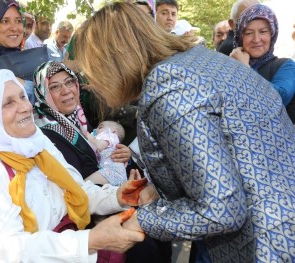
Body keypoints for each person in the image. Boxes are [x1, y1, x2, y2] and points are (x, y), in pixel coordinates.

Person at [73, 2, 295, 262]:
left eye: (92, 68)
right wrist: (156, 191)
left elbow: (221, 210)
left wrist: (140, 222)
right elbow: (224, 156)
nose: (90, 81)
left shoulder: (168, 85)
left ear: (113, 59)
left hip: (267, 242)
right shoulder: (193, 62)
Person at [0, 69, 150, 262]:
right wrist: (88, 241)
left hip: (70, 242)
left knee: (146, 242)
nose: (25, 106)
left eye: (23, 97)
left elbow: (76, 189)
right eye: (8, 103)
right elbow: (7, 251)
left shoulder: (34, 141)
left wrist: (117, 196)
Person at [33, 61, 132, 184]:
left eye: (69, 82)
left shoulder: (77, 117)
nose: (66, 91)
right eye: (54, 87)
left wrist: (120, 154)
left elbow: (96, 146)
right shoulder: (47, 133)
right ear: (43, 93)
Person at [230, 4, 295, 121]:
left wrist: (245, 68)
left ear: (272, 35)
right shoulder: (229, 66)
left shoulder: (286, 65)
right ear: (240, 36)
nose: (256, 39)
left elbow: (277, 99)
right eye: (249, 33)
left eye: (263, 32)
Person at [84, 120, 127, 186]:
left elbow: (99, 146)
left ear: (114, 132)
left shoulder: (110, 136)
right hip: (114, 174)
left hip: (112, 172)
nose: (95, 129)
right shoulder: (111, 143)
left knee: (84, 184)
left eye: (100, 127)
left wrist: (86, 134)